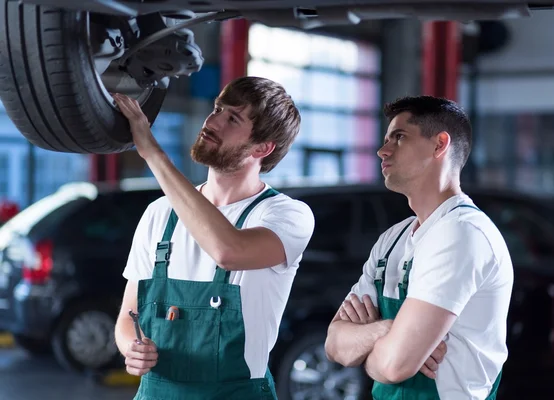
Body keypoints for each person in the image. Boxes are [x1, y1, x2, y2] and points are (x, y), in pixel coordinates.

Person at [112, 76, 315, 400]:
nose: (212, 120)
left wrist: (152, 153)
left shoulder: (286, 215)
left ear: (262, 148)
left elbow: (227, 250)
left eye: (232, 118)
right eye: (218, 108)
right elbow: (129, 315)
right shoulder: (159, 213)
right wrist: (132, 347)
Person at [324, 96, 514, 399]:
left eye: (399, 138)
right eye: (387, 139)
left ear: (440, 145)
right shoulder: (392, 240)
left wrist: (371, 348)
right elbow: (335, 345)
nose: (382, 150)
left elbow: (394, 366)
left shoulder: (462, 233)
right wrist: (386, 330)